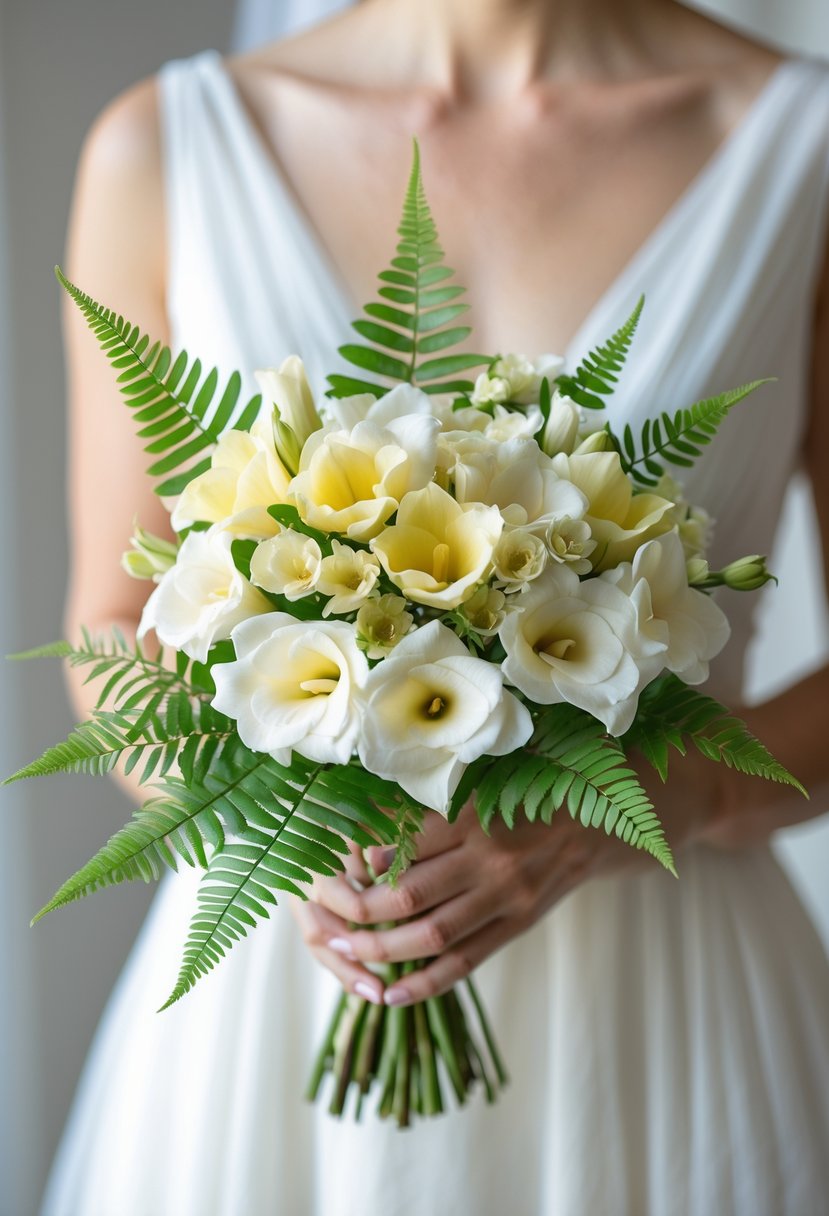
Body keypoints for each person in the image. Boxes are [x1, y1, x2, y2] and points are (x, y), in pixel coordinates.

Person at [43, 0, 829, 1212]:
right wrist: (282, 821)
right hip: (282, 995)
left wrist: (652, 799)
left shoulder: (802, 143)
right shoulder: (165, 145)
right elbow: (111, 622)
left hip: (665, 1004)